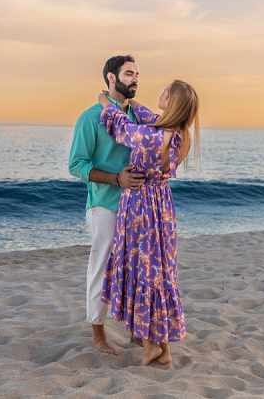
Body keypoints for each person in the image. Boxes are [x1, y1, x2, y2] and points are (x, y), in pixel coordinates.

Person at [97, 80, 200, 366]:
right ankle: (163, 350)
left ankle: (149, 345)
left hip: (142, 207)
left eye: (166, 91)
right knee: (160, 272)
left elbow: (121, 127)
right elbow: (145, 116)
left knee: (144, 269)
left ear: (172, 101)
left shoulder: (152, 137)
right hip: (163, 208)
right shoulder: (178, 134)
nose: (161, 92)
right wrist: (132, 105)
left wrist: (105, 101)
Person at [68, 55, 160, 355]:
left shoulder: (139, 117)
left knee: (135, 269)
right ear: (111, 77)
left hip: (138, 206)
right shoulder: (90, 118)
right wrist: (116, 179)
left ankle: (136, 332)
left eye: (137, 74)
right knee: (102, 266)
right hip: (104, 204)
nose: (135, 79)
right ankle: (98, 335)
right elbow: (76, 165)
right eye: (129, 73)